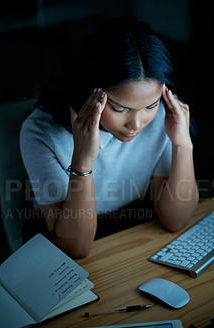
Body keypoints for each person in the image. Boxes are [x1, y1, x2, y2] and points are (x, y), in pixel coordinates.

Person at [20, 17, 199, 258]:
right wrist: (82, 161)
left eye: (150, 105)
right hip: (60, 243)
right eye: (119, 108)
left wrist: (182, 143)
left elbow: (176, 220)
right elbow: (76, 248)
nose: (136, 124)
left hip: (131, 228)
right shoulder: (40, 133)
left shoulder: (164, 118)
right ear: (92, 92)